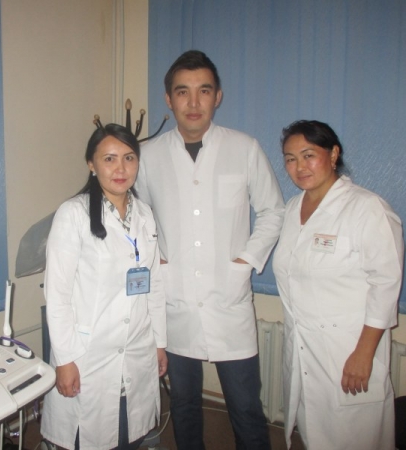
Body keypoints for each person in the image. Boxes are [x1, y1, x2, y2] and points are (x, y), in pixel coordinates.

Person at [135, 50, 284, 449]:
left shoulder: (244, 148)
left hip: (229, 301)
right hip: (176, 303)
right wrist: (157, 261)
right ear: (169, 99)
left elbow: (273, 211)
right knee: (184, 404)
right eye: (182, 91)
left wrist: (246, 261)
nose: (193, 102)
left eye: (204, 90)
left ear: (218, 96)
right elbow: (139, 219)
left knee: (246, 408)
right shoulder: (148, 156)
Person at [272, 120, 404, 449]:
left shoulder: (367, 208)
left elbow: (386, 284)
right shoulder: (292, 209)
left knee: (355, 436)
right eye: (290, 159)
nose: (299, 167)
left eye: (308, 155)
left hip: (349, 349)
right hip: (303, 349)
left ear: (333, 155)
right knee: (314, 433)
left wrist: (364, 354)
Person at [41, 123, 168, 450]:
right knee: (91, 437)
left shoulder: (145, 214)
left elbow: (154, 285)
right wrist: (65, 360)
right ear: (91, 164)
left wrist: (159, 342)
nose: (120, 168)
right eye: (109, 159)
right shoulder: (73, 214)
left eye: (129, 158)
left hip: (138, 346)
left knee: (130, 435)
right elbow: (57, 296)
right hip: (88, 354)